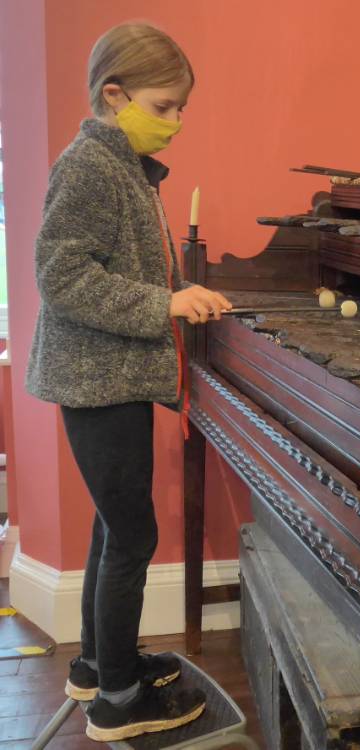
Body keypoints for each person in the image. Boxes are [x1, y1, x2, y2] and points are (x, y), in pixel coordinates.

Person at [25, 23, 232, 741]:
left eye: (181, 109)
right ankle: (116, 698)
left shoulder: (122, 164)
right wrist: (164, 303)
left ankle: (95, 664)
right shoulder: (90, 166)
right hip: (97, 382)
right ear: (115, 96)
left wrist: (180, 290)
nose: (176, 121)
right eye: (165, 105)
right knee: (133, 535)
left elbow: (121, 263)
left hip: (110, 377)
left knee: (116, 528)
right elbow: (62, 274)